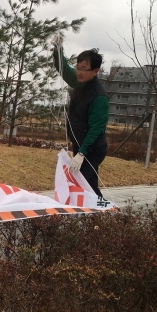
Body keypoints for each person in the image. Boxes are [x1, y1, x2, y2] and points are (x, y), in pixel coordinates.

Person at [53, 44, 109, 198]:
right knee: (89, 185)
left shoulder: (99, 96)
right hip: (81, 146)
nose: (79, 72)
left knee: (79, 182)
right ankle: (103, 210)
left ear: (95, 71)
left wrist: (82, 153)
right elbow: (64, 69)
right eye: (77, 67)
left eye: (84, 69)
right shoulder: (80, 82)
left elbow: (96, 128)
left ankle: (105, 210)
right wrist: (58, 51)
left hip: (93, 149)